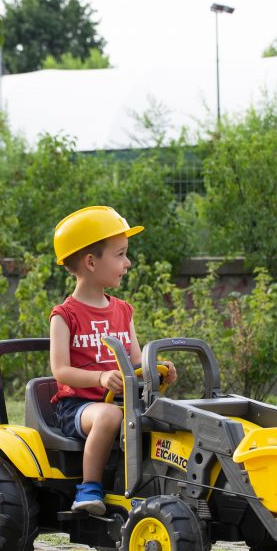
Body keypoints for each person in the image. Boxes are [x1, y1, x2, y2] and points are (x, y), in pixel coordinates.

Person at [49, 206, 177, 515]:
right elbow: (61, 371)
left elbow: (136, 362)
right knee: (108, 417)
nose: (128, 262)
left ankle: (155, 487)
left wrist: (158, 371)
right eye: (120, 254)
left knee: (172, 418)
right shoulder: (64, 315)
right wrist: (100, 378)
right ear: (91, 262)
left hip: (123, 402)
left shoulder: (123, 310)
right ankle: (88, 489)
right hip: (78, 407)